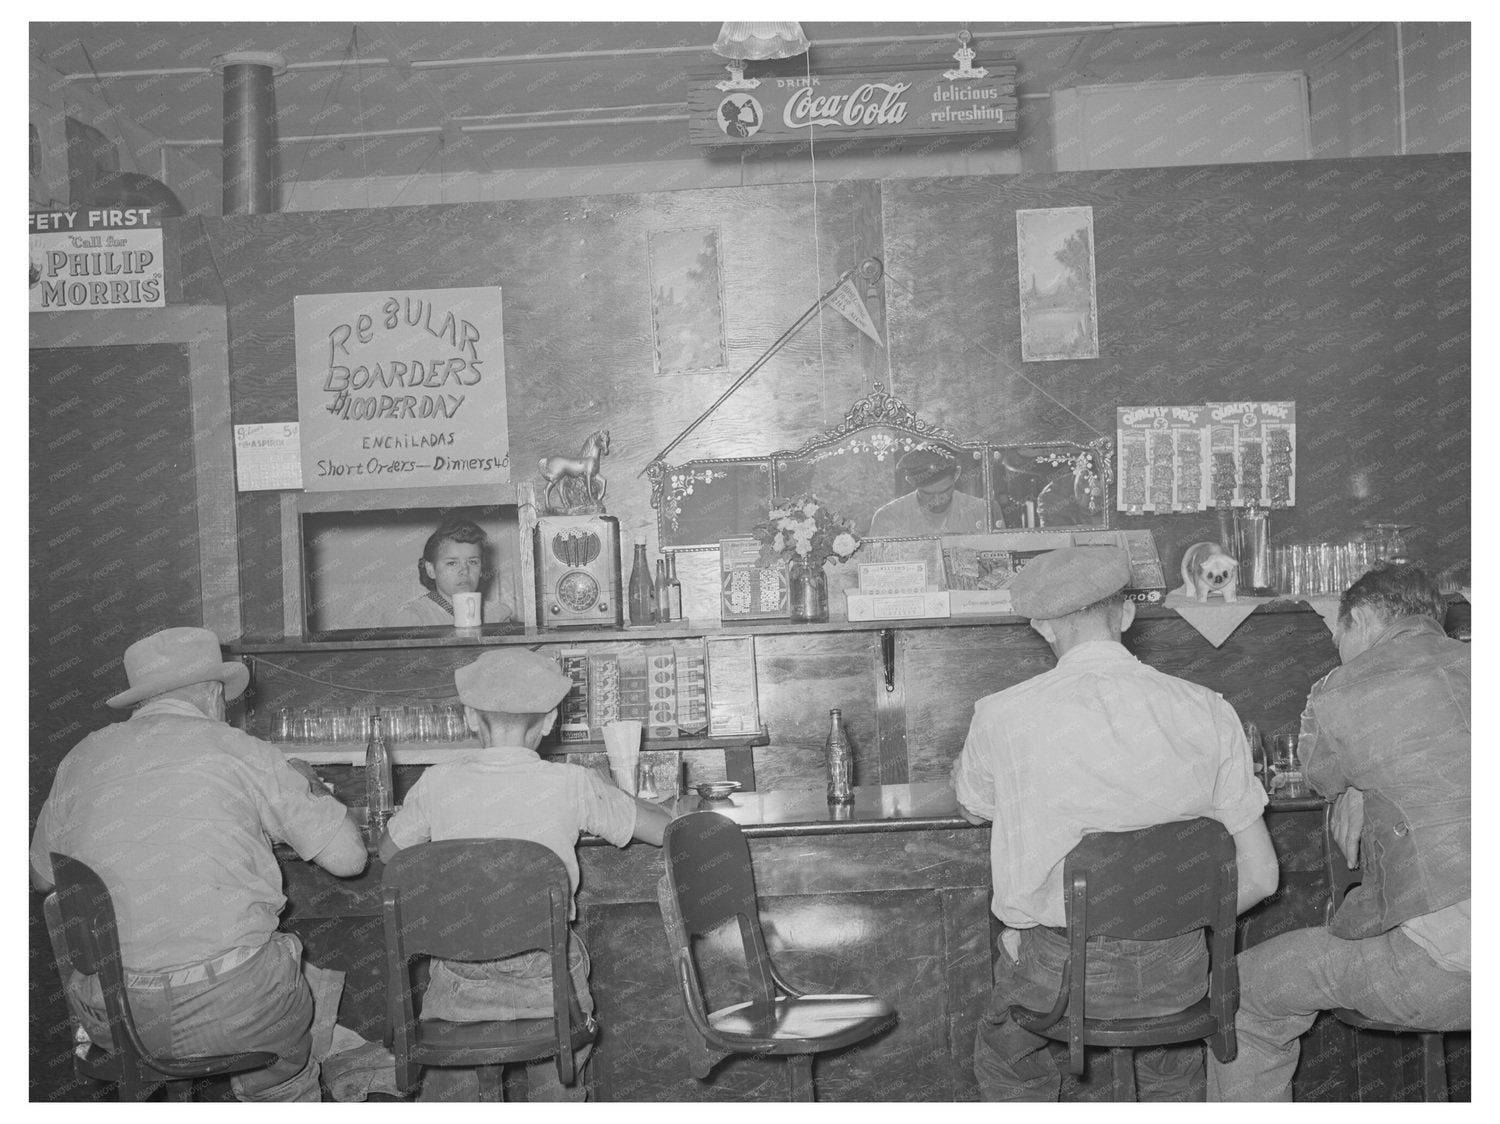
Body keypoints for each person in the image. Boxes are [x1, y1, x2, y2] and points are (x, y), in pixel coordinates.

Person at [951, 547, 1279, 1101]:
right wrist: (1176, 920)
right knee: (1171, 1061)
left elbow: (974, 805)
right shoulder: (1208, 709)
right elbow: (1263, 878)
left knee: (1005, 1051)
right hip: (1181, 971)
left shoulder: (1002, 716)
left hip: (1061, 972)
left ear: (1042, 625)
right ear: (1127, 615)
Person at [30, 626, 368, 1102]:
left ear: (142, 700)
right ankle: (277, 1092)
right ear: (212, 694)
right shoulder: (242, 750)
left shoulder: (81, 756)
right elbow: (350, 860)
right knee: (295, 987)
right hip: (230, 1013)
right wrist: (307, 785)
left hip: (110, 1017)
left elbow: (42, 876)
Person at [1208, 564, 1470, 1101]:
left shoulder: (1344, 688)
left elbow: (1322, 772)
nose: (1336, 647)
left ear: (1366, 617)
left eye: (1339, 632)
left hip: (1451, 970)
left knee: (1241, 988)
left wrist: (1352, 787)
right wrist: (1367, 789)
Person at [378, 649, 672, 1101]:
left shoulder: (436, 782)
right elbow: (660, 829)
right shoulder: (572, 782)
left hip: (460, 987)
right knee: (559, 1071)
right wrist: (648, 802)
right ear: (551, 720)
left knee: (452, 1078)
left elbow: (389, 853)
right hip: (547, 985)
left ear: (471, 718)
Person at [382, 516, 513, 627]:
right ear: (431, 569)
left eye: (473, 562)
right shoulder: (412, 618)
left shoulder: (496, 616)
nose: (464, 571)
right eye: (452, 563)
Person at [867, 446, 995, 538]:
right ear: (911, 483)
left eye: (945, 491)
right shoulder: (889, 516)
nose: (937, 500)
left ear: (957, 474)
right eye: (927, 494)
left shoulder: (982, 511)